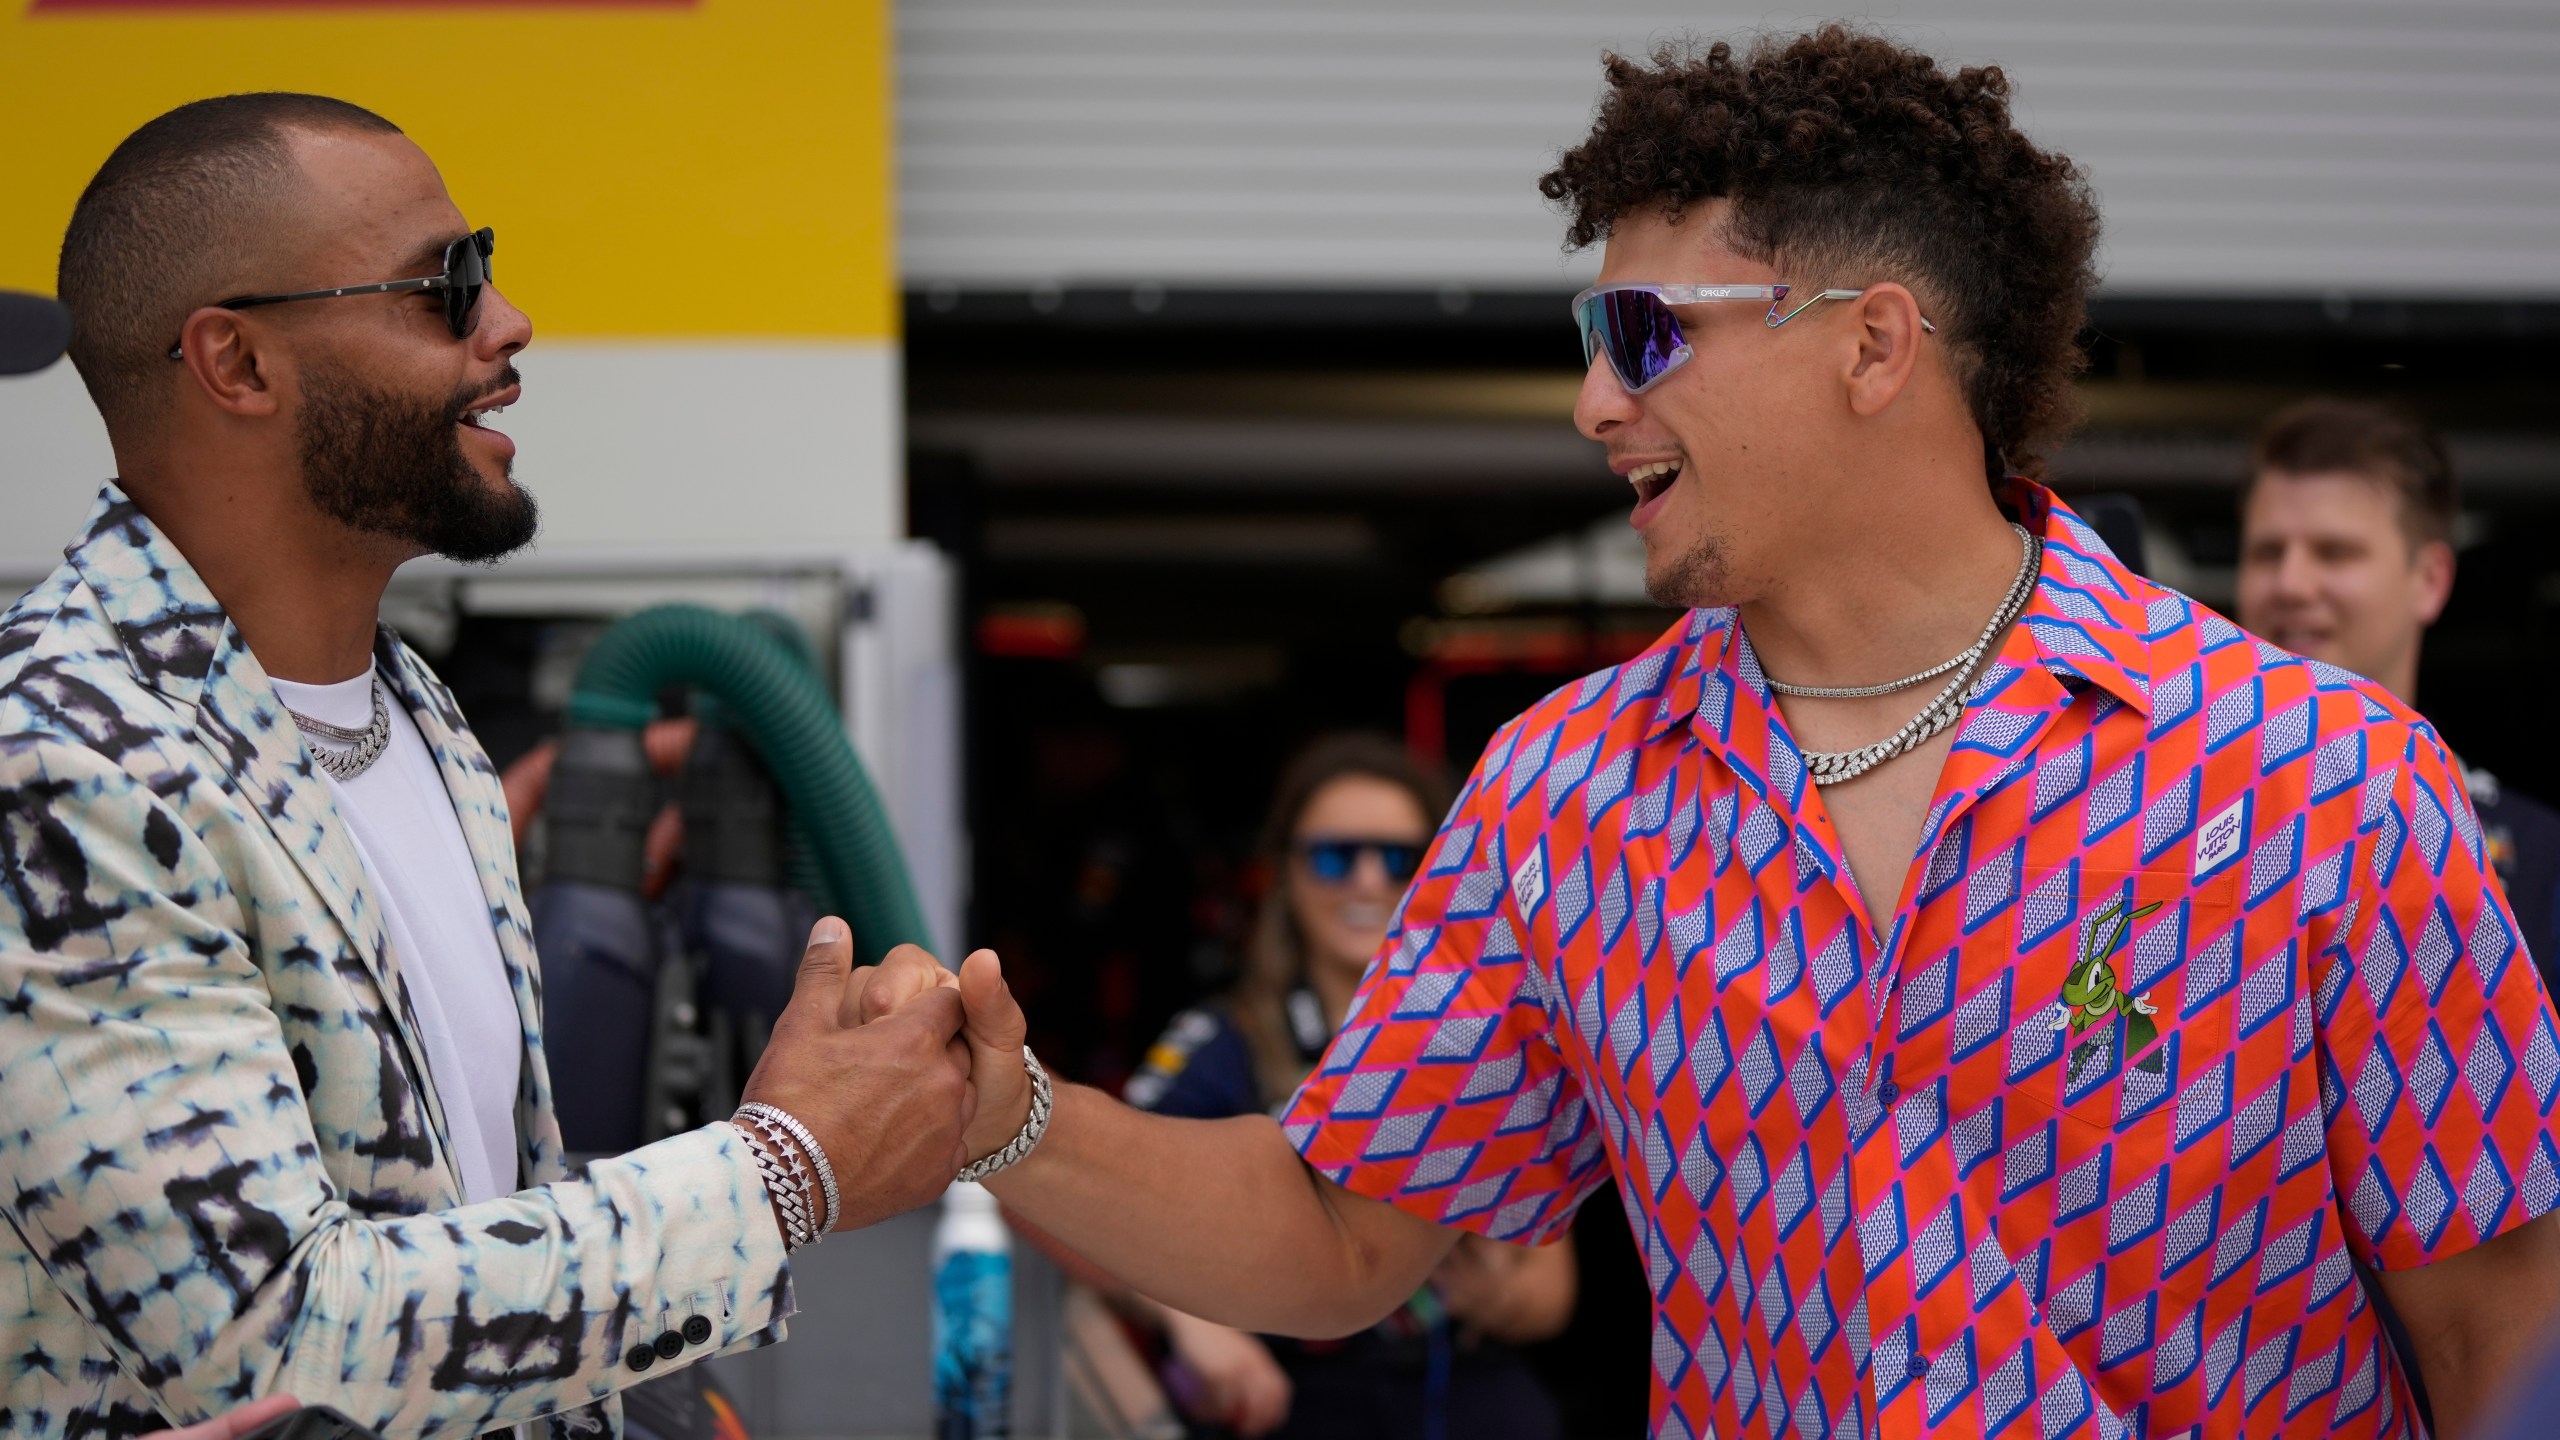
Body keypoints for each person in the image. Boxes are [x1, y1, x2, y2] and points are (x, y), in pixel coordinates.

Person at [877, 27, 2560, 1440]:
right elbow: (1340, 1228)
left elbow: (2504, 1344)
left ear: (1871, 345)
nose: (1596, 401)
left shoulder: (2321, 787)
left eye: (1641, 331)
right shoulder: (1565, 801)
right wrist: (1006, 1116)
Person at [0, 93, 975, 1440]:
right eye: (444, 284)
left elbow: (472, 1232)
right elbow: (275, 1352)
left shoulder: (419, 717)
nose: (506, 322)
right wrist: (778, 1174)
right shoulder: (54, 753)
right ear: (237, 362)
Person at [1122, 734, 1574, 1438]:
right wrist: (1192, 1326)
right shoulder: (1222, 1044)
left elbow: (1552, 1292)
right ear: (1285, 874)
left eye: (1399, 860)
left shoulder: (1500, 1041)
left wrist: (1496, 1294)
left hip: (1453, 1390)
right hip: (1288, 1399)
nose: (1367, 881)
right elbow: (1105, 1210)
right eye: (1334, 857)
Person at [2236, 396, 2560, 996]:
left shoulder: (2540, 864)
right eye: (2267, 552)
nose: (2290, 583)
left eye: (2335, 552)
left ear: (2431, 579)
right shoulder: (2171, 818)